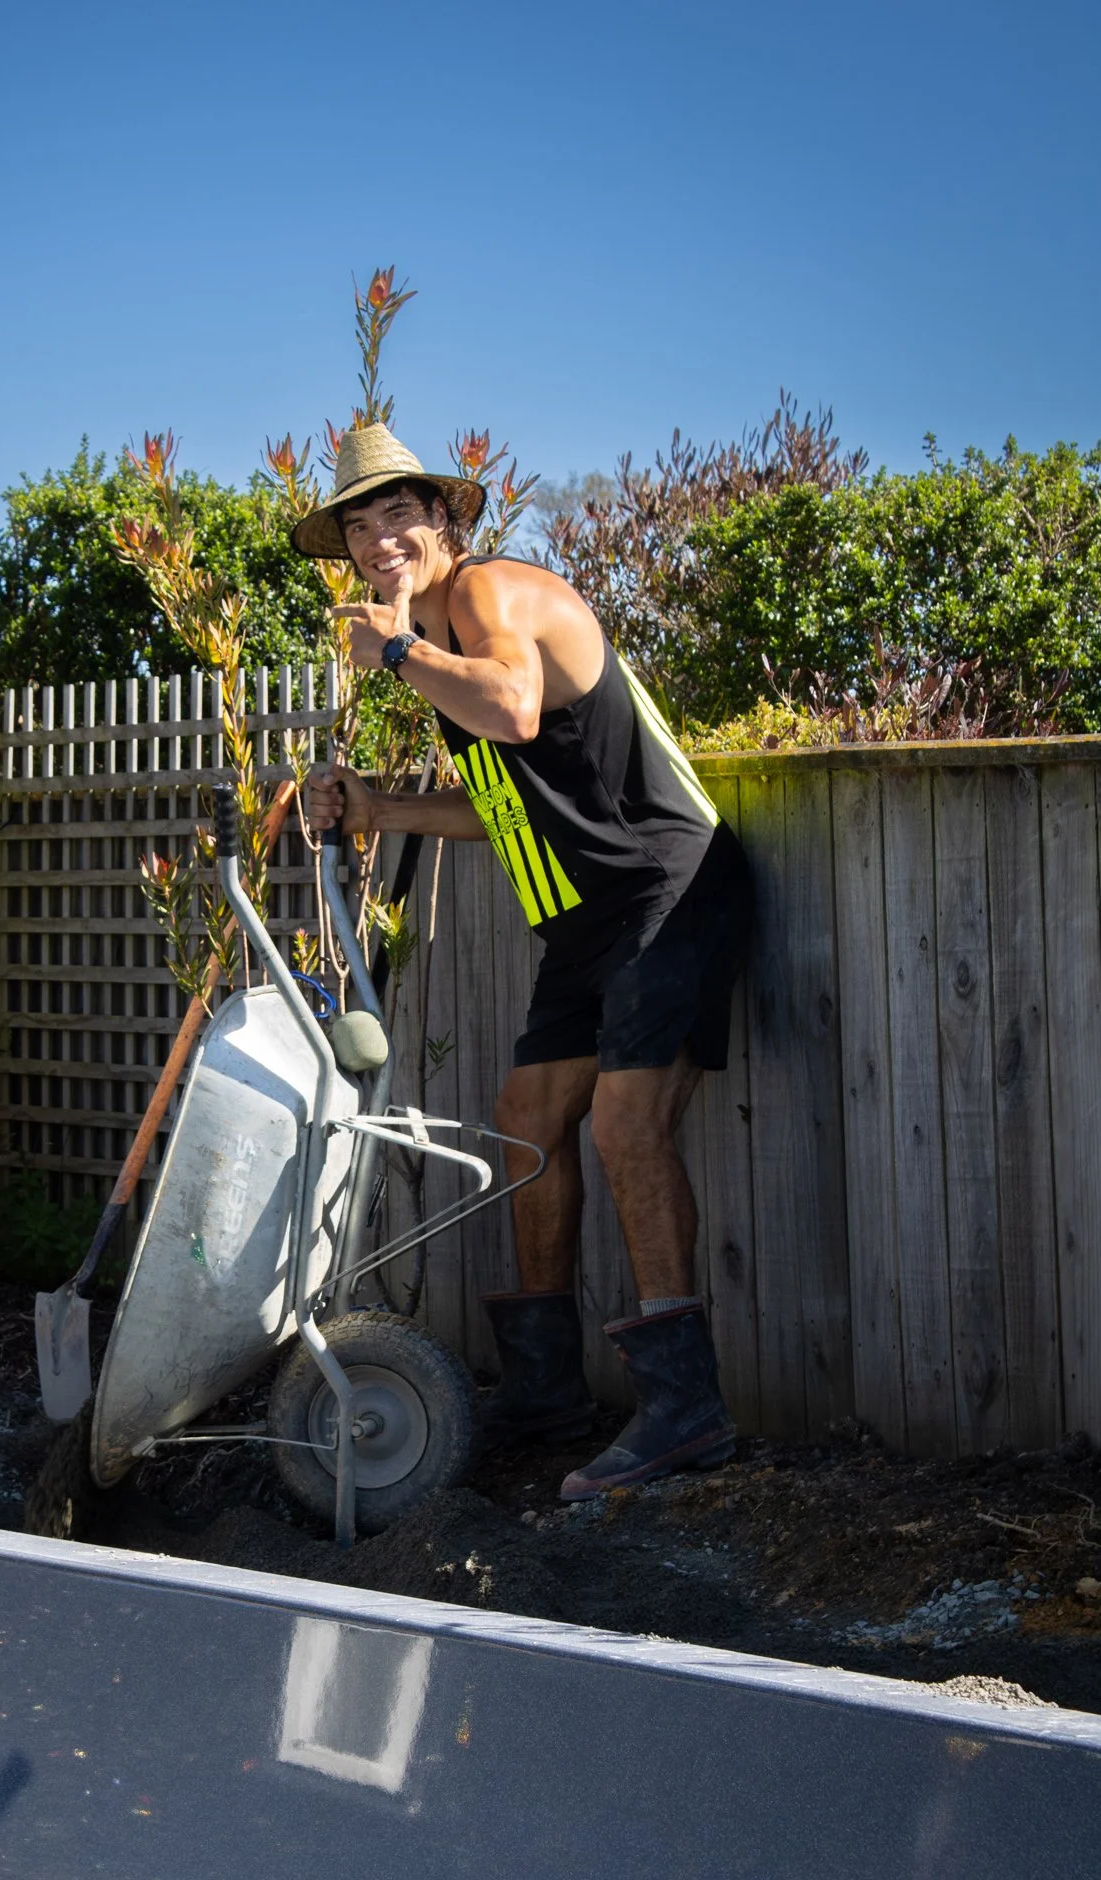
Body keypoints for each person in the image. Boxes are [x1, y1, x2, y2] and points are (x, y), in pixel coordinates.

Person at [295, 424, 752, 1499]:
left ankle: (687, 1412)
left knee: (624, 1125)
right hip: (586, 923)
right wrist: (376, 806)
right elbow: (501, 800)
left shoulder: (489, 594)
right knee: (527, 1119)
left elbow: (512, 705)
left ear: (443, 520)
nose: (377, 540)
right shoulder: (445, 632)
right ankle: (545, 1392)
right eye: (358, 527)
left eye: (396, 514)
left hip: (666, 889)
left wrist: (396, 651)